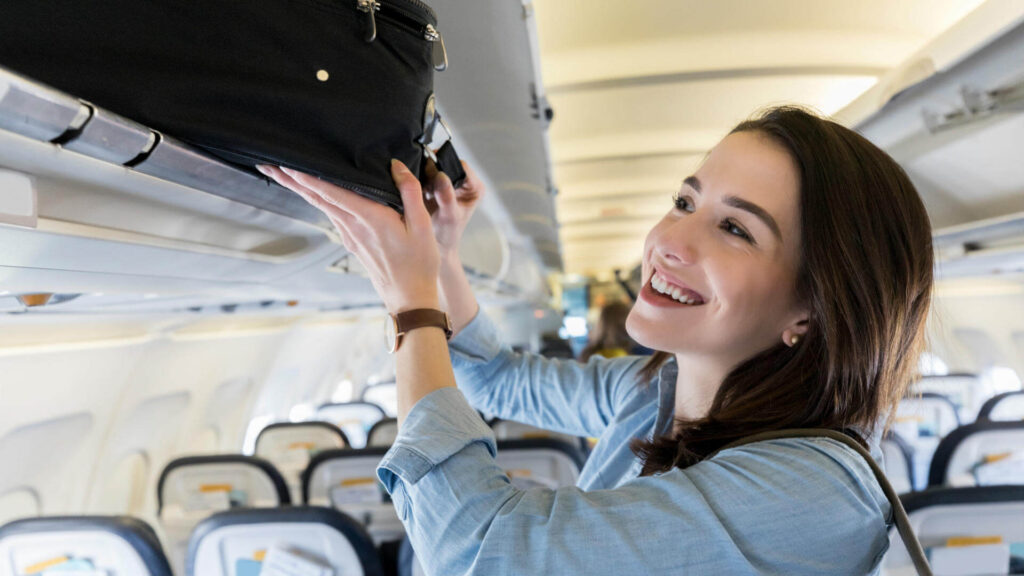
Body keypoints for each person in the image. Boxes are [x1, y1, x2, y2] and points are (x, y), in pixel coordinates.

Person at [257, 105, 933, 574]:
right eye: (685, 202)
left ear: (811, 313)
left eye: (735, 229)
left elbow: (477, 555)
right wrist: (443, 260)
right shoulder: (655, 390)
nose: (668, 242)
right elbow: (495, 377)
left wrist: (413, 304)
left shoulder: (812, 494)